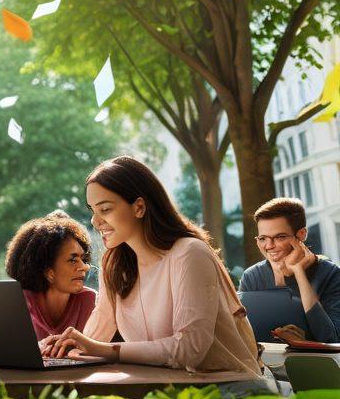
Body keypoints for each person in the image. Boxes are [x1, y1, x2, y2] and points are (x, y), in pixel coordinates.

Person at [40, 156, 263, 381]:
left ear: (139, 207)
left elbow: (189, 350)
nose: (95, 222)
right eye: (93, 211)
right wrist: (66, 348)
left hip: (226, 386)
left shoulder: (189, 253)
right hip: (160, 384)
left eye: (105, 209)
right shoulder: (114, 262)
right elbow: (98, 332)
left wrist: (107, 351)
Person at [238, 197, 340, 342]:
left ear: (302, 234)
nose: (269, 246)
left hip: (314, 357)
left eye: (280, 237)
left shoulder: (331, 274)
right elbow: (243, 336)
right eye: (262, 238)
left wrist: (299, 273)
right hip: (266, 356)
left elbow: (332, 339)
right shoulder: (251, 277)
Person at [5, 210, 96, 339]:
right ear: (48, 272)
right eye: (72, 260)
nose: (85, 267)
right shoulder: (20, 301)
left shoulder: (89, 300)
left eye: (83, 259)